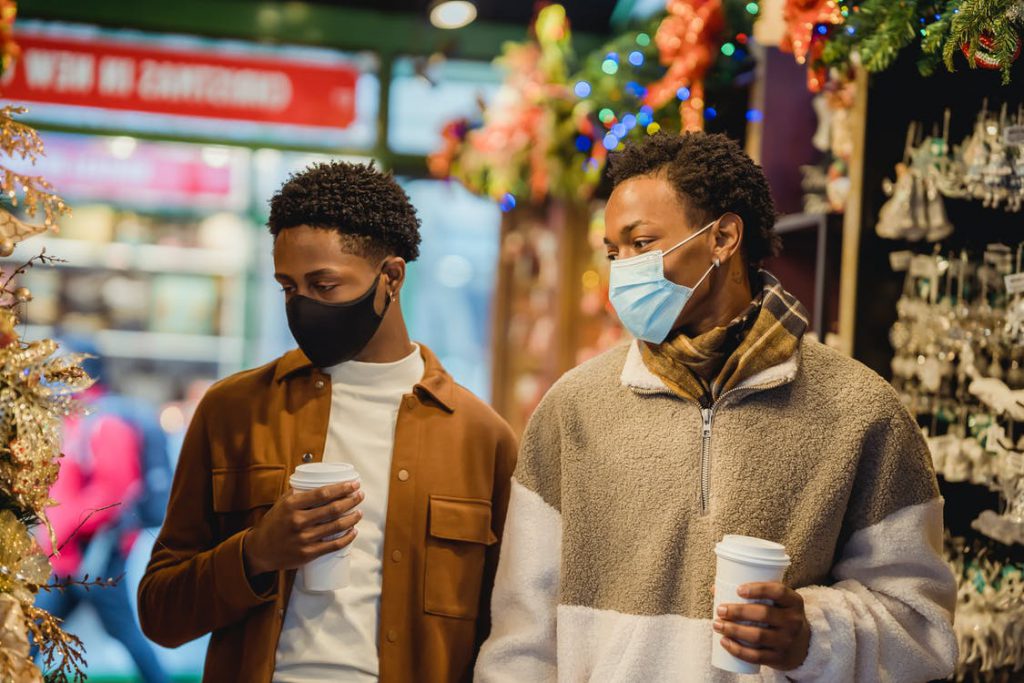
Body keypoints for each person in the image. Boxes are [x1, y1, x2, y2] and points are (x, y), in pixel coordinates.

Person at [475, 132, 957, 682]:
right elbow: (522, 637)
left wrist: (814, 637)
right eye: (614, 251)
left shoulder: (861, 410)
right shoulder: (573, 408)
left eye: (641, 243)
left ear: (723, 237)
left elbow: (922, 630)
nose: (622, 270)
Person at [137, 161, 517, 682]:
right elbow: (160, 612)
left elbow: (510, 638)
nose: (303, 307)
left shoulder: (481, 437)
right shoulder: (234, 410)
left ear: (392, 277)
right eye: (288, 288)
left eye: (324, 285)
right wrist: (256, 553)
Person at [36, 346, 170, 683]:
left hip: (93, 556)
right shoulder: (80, 420)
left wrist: (59, 528)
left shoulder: (104, 423)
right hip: (70, 558)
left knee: (124, 635)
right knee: (30, 634)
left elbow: (110, 496)